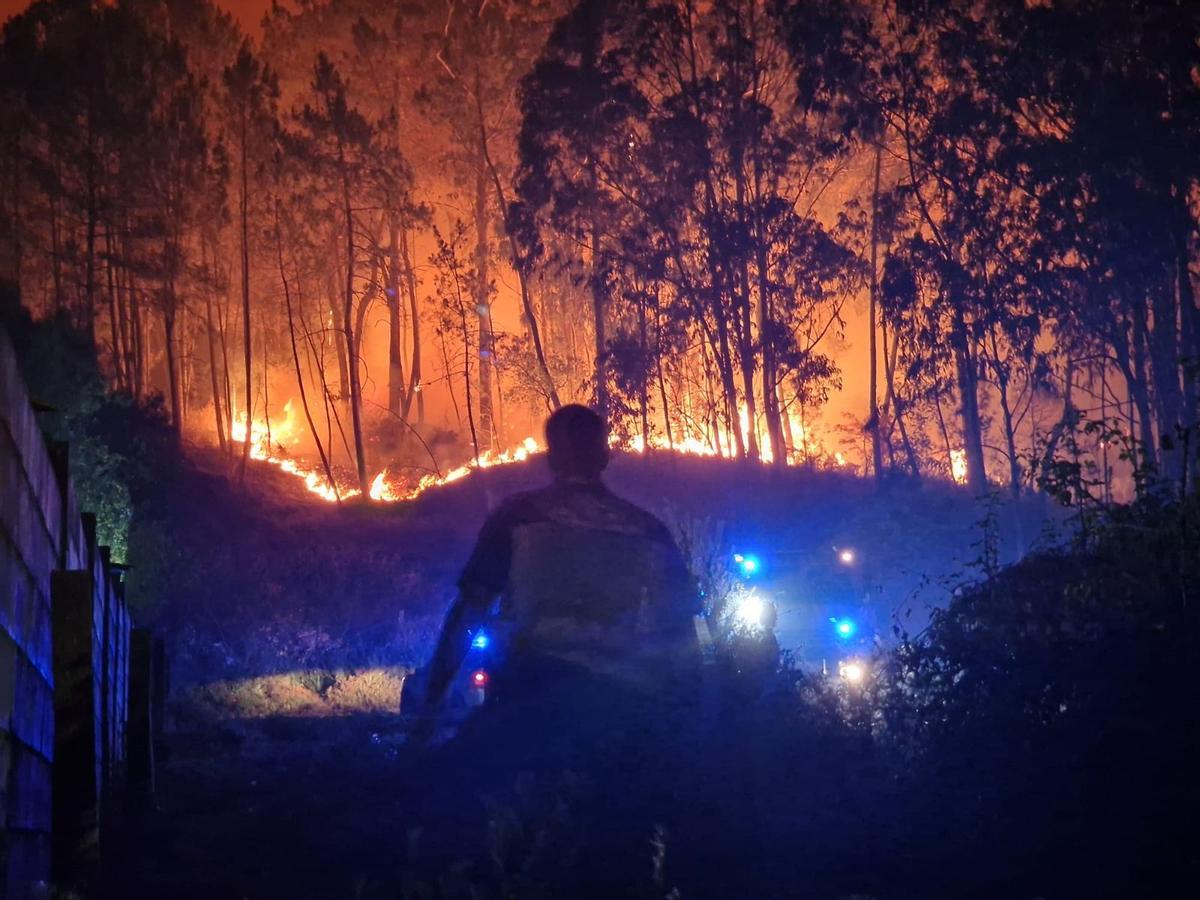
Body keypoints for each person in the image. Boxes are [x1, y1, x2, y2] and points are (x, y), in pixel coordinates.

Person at [415, 404, 699, 741]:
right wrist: (688, 723)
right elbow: (682, 632)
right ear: (604, 456)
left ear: (551, 458)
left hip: (531, 698)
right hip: (622, 705)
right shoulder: (649, 531)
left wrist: (430, 707)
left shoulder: (517, 518)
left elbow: (470, 611)